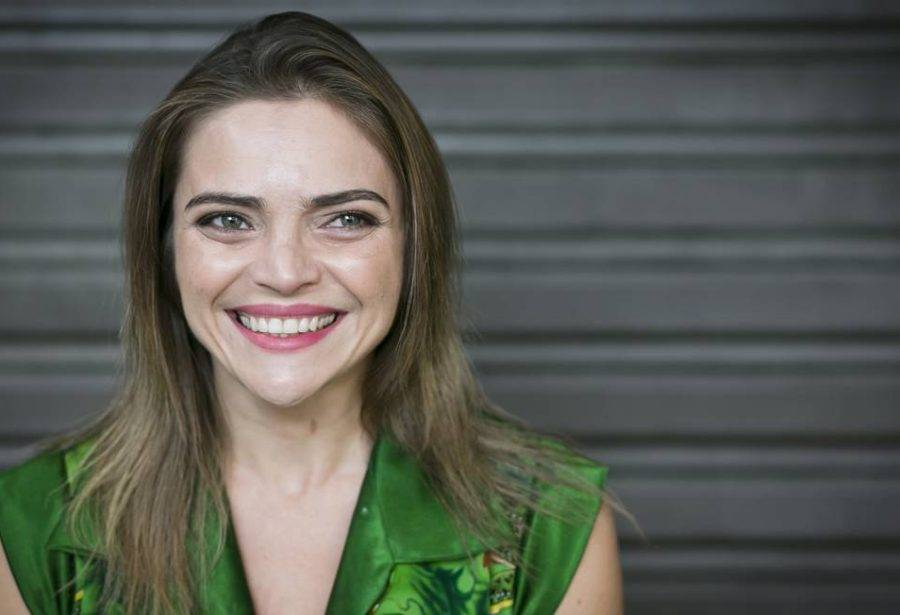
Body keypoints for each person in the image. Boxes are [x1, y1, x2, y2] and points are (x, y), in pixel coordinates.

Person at [0, 11, 624, 614]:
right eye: (227, 219)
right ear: (164, 250)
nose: (284, 271)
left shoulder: (546, 526)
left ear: (414, 246)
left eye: (346, 219)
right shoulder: (38, 526)